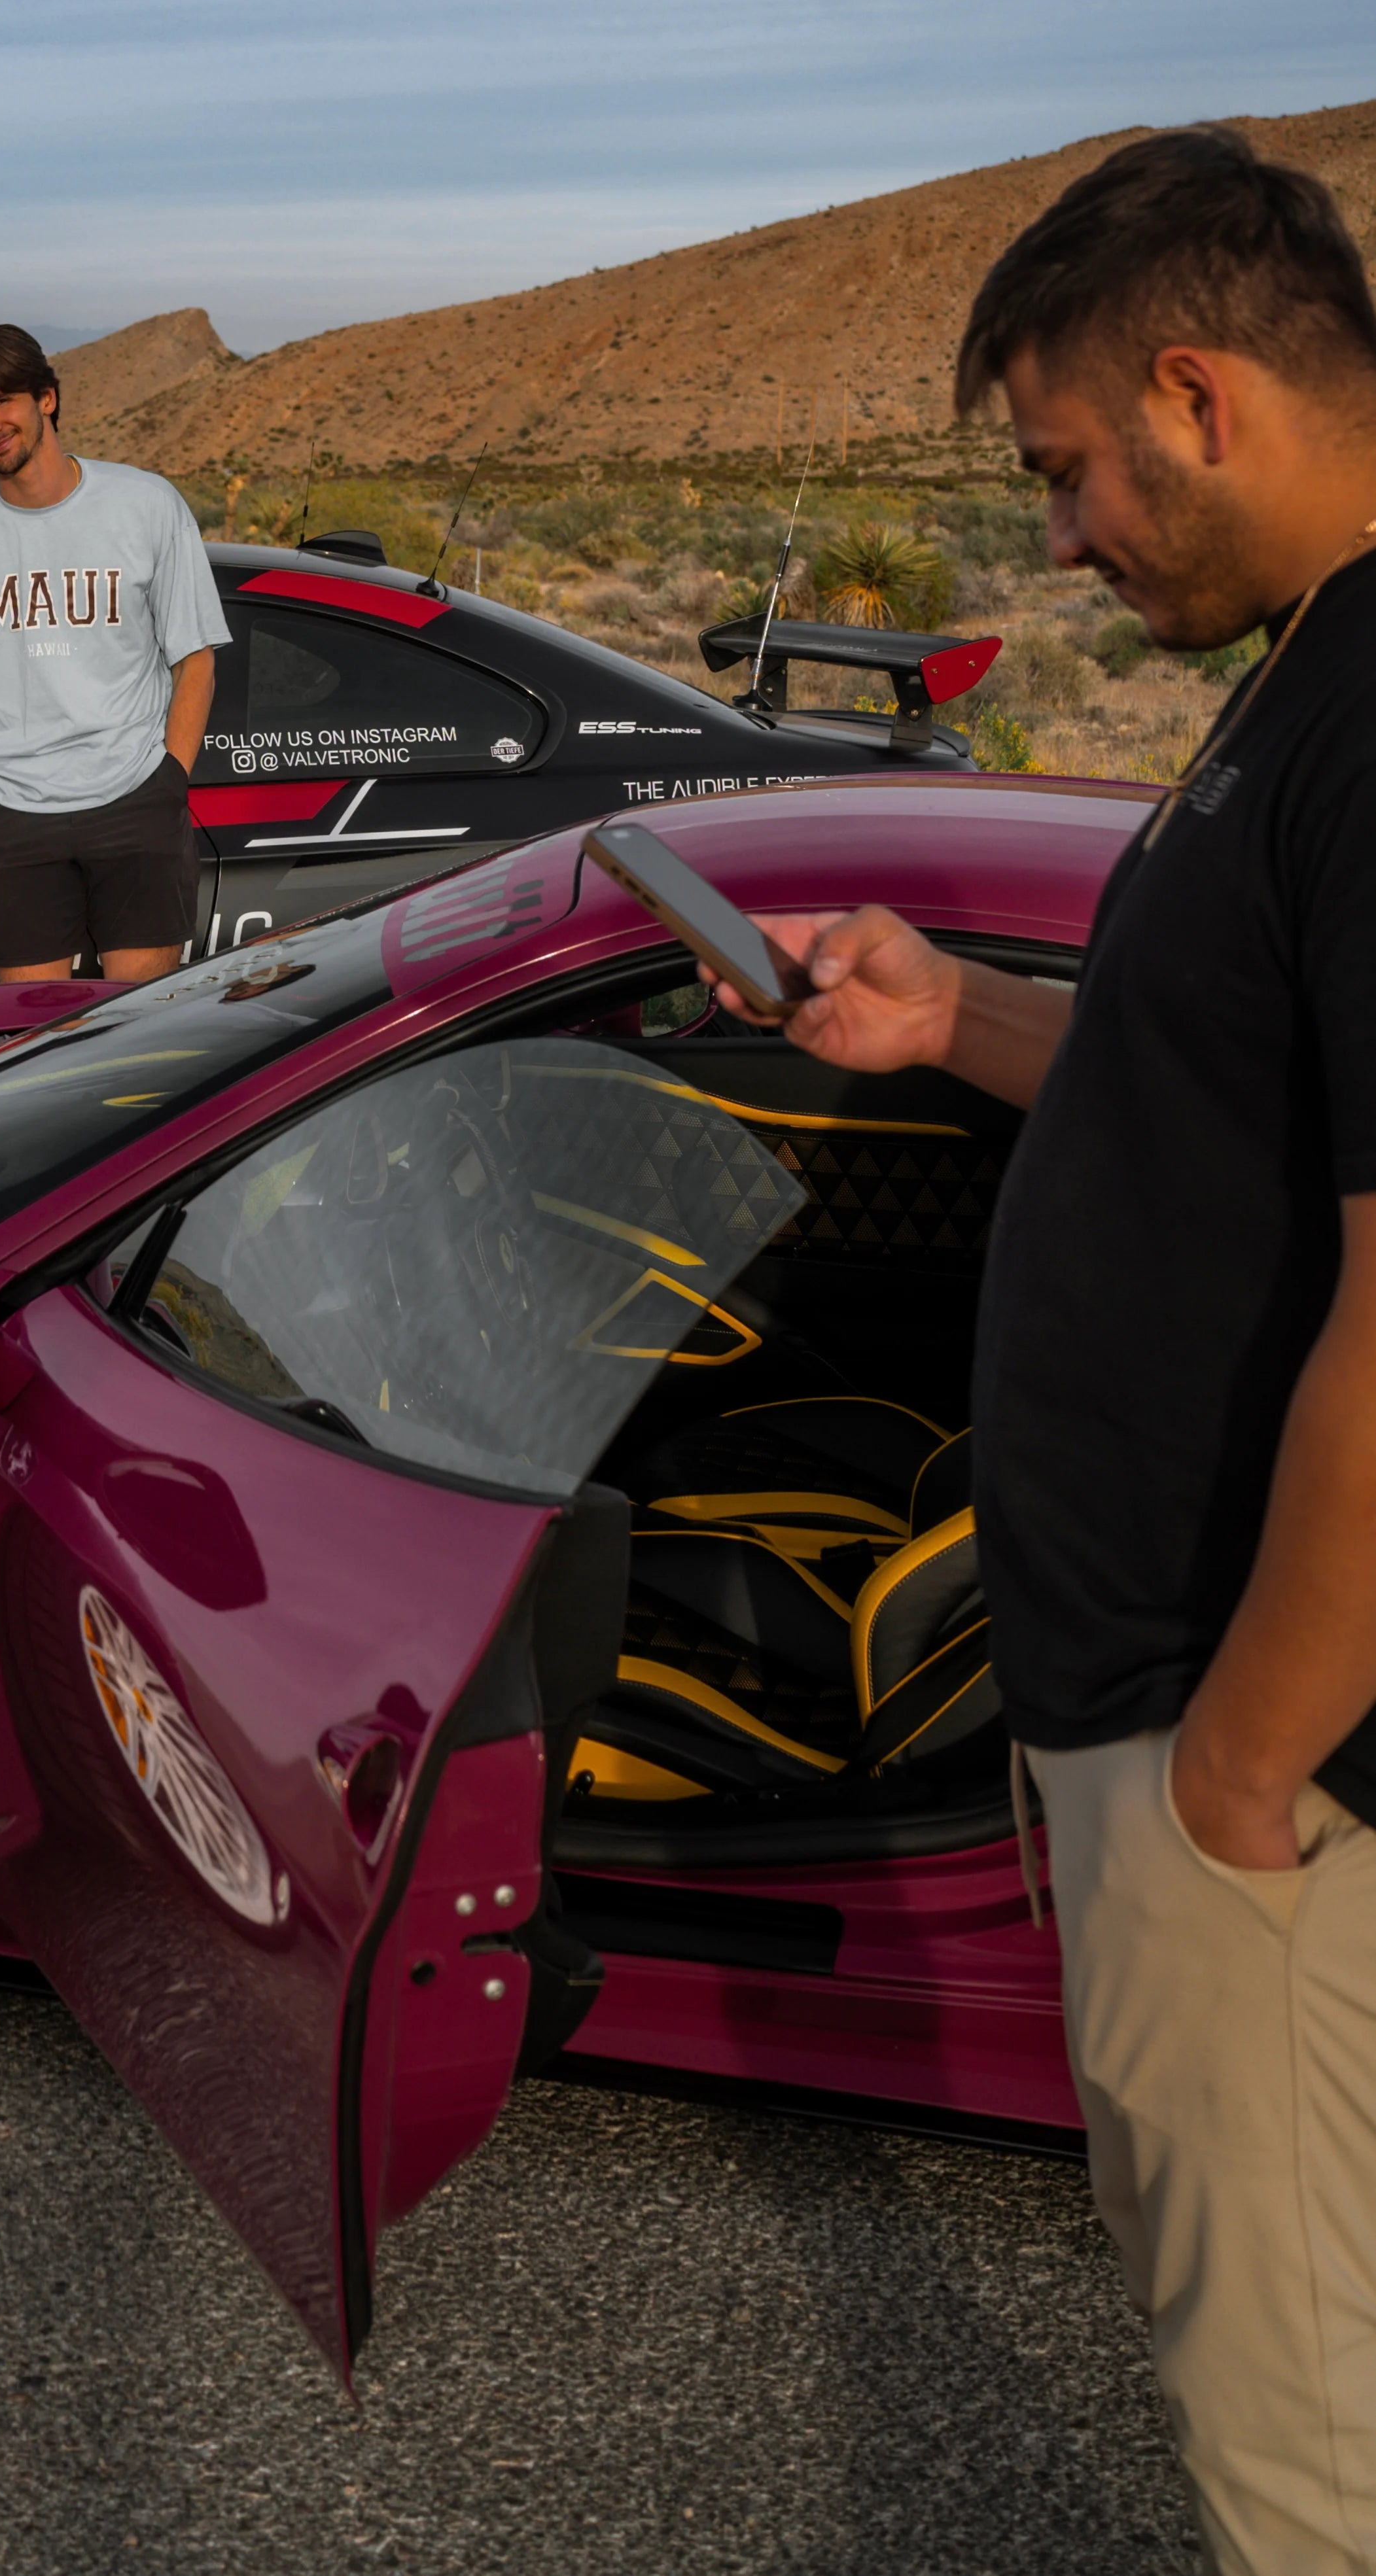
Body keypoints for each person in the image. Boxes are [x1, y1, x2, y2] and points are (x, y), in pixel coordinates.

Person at [704, 128, 1376, 2573]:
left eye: (1065, 469)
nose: (1066, 535)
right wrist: (946, 1014)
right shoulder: (1307, 680)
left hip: (1251, 1764)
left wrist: (1234, 1770)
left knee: (1304, 2445)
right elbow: (1219, 1099)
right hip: (1184, 1714)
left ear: (1195, 393)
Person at [0, 323, 228, 984]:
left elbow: (195, 658)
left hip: (135, 798)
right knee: (33, 1035)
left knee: (144, 1024)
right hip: (9, 814)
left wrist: (169, 781)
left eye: (1, 401)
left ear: (46, 397)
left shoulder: (146, 505)